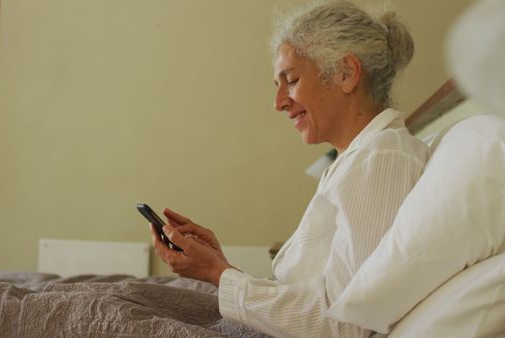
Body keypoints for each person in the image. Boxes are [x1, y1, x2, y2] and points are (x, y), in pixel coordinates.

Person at [150, 1, 430, 337]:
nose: (279, 101)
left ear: (346, 73)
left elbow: (347, 324)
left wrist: (219, 276)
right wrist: (222, 267)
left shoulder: (381, 161)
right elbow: (314, 295)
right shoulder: (357, 160)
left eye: (291, 80)